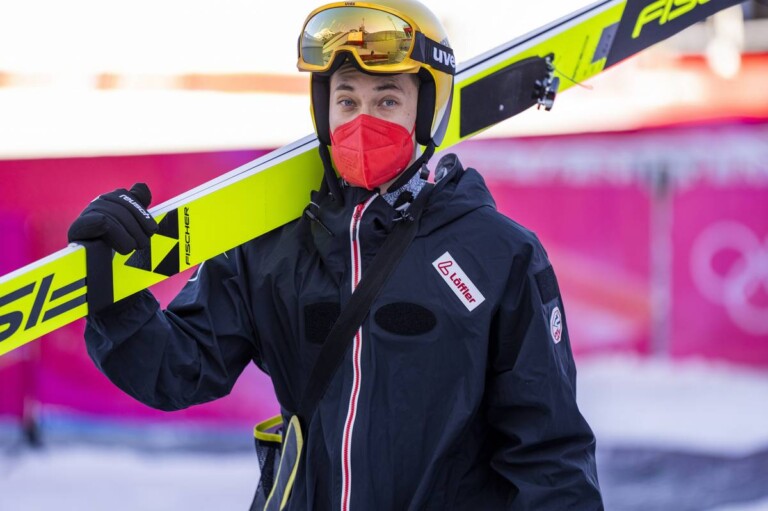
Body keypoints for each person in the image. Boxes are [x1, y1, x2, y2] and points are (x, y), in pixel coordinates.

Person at [68, 0, 604, 509]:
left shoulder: (498, 255)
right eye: (347, 100)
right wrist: (115, 294)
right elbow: (177, 368)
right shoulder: (271, 248)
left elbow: (549, 455)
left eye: (387, 100)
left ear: (429, 113)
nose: (362, 121)